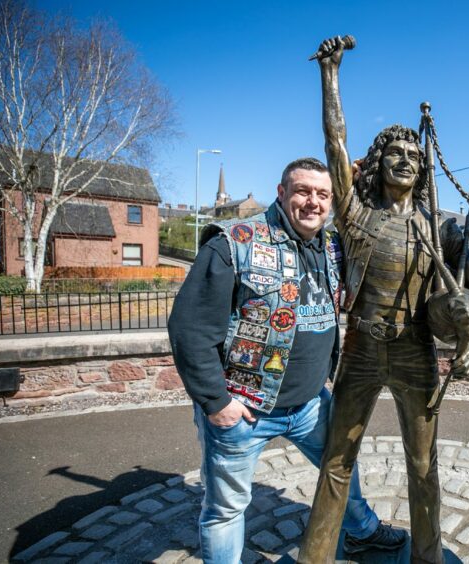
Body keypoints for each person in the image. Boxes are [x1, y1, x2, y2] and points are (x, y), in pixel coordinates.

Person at [298, 37, 469, 564]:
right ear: (377, 165)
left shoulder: (439, 227)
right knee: (337, 460)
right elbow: (336, 144)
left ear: (423, 170)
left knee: (423, 465)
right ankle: (314, 558)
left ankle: (427, 557)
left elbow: (468, 297)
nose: (404, 161)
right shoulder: (354, 215)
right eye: (395, 155)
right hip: (359, 350)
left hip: (415, 351)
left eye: (413, 156)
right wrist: (330, 76)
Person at [167, 157, 406, 564]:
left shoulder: (331, 247)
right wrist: (216, 401)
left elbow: (372, 229)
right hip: (245, 409)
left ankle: (362, 532)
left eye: (323, 194)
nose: (313, 202)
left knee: (341, 469)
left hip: (311, 403)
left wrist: (364, 180)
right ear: (281, 193)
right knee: (225, 510)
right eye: (302, 191)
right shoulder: (234, 241)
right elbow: (189, 328)